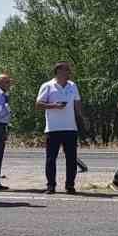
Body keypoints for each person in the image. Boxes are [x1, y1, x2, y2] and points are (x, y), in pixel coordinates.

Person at [35, 62, 83, 195]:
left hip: (70, 128)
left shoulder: (73, 86)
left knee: (71, 159)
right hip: (53, 128)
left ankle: (70, 185)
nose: (69, 72)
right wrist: (54, 106)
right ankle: (51, 186)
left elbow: (77, 103)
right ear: (58, 71)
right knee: (51, 159)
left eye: (69, 70)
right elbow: (38, 104)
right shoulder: (48, 86)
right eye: (67, 70)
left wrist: (81, 118)